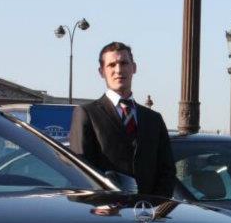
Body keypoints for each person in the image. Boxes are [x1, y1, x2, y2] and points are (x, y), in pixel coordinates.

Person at [69, 41, 176, 197]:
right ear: (101, 72)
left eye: (124, 63)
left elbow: (167, 170)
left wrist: (155, 205)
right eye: (111, 65)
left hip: (148, 208)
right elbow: (80, 170)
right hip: (106, 208)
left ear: (134, 68)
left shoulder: (153, 119)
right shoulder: (87, 114)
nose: (118, 70)